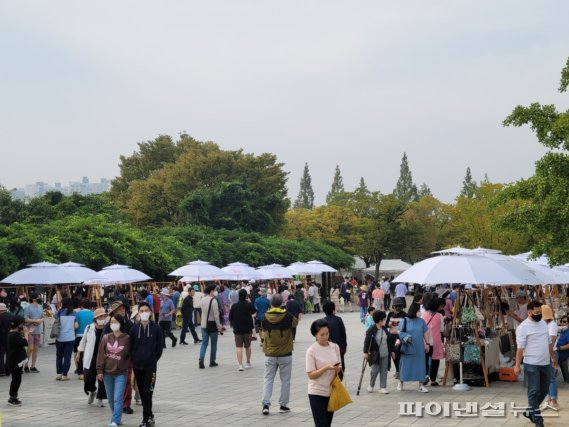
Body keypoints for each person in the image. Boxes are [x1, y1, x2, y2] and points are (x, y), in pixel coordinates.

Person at [514, 301, 557, 427]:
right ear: (529, 312)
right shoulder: (523, 327)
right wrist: (517, 365)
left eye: (540, 312)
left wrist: (553, 357)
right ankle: (538, 421)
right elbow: (520, 349)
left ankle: (529, 411)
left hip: (545, 363)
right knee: (534, 391)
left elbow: (548, 342)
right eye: (537, 312)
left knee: (543, 390)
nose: (539, 314)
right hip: (531, 364)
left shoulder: (543, 323)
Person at [261, 293, 298, 415]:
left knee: (268, 379)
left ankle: (266, 404)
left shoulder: (265, 316)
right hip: (285, 353)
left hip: (270, 353)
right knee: (285, 380)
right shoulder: (287, 316)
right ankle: (283, 405)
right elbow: (295, 323)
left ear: (271, 303)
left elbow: (262, 327)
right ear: (282, 303)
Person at [130, 302, 163, 427]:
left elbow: (159, 348)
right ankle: (150, 416)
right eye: (141, 310)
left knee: (148, 393)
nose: (144, 313)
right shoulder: (134, 329)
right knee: (142, 393)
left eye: (146, 310)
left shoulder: (156, 329)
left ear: (150, 313)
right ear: (138, 313)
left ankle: (145, 420)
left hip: (150, 367)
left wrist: (153, 359)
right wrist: (134, 359)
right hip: (137, 366)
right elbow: (131, 346)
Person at [305, 319, 342, 427]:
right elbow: (311, 375)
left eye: (327, 333)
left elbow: (340, 367)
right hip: (316, 392)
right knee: (322, 424)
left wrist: (337, 368)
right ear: (315, 335)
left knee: (327, 423)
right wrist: (326, 368)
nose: (325, 337)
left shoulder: (335, 347)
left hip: (331, 391)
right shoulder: (311, 350)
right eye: (322, 335)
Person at [97, 313, 131, 427]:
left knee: (117, 398)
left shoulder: (126, 338)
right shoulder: (106, 338)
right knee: (111, 399)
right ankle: (117, 417)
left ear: (120, 323)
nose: (113, 324)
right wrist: (99, 371)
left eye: (115, 322)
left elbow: (130, 355)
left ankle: (115, 420)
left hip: (121, 373)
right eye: (111, 322)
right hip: (107, 373)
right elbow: (101, 355)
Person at [77, 307, 108, 407]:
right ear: (95, 319)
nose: (102, 318)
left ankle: (100, 399)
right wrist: (79, 352)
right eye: (100, 317)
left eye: (103, 316)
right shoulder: (89, 327)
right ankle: (92, 390)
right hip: (90, 357)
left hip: (103, 358)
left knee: (102, 380)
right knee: (88, 379)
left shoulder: (107, 329)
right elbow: (83, 340)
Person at [397, 301, 429, 393]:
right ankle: (401, 382)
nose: (420, 312)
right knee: (404, 365)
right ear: (414, 310)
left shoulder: (421, 321)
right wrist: (406, 337)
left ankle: (421, 385)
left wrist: (427, 344)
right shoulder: (405, 320)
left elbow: (425, 332)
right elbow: (399, 332)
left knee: (420, 365)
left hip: (419, 347)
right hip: (407, 347)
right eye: (419, 310)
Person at [364, 310, 393, 394]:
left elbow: (389, 341)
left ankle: (382, 387)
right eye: (384, 319)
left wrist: (392, 351)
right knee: (375, 370)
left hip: (385, 353)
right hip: (376, 354)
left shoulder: (384, 329)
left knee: (384, 370)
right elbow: (367, 341)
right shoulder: (371, 330)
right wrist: (365, 352)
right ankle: (371, 385)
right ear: (380, 320)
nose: (385, 321)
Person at [229, 289, 257, 371]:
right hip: (248, 329)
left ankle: (240, 365)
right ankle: (248, 362)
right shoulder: (249, 305)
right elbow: (255, 311)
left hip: (237, 329)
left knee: (238, 347)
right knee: (248, 346)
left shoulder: (234, 306)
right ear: (246, 296)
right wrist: (249, 301)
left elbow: (230, 318)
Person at [540, 305, 559, 411]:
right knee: (546, 378)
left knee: (551, 378)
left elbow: (550, 342)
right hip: (545, 354)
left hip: (551, 353)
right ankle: (549, 399)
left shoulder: (552, 325)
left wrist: (552, 357)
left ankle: (554, 401)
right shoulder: (544, 324)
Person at [421, 296, 444, 386]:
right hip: (436, 341)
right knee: (435, 360)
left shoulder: (424, 314)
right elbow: (442, 329)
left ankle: (425, 376)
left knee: (425, 359)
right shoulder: (440, 316)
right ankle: (433, 380)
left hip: (425, 341)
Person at [7, 315, 29, 406]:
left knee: (16, 379)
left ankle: (14, 396)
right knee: (16, 380)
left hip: (15, 361)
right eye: (22, 324)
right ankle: (12, 397)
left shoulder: (11, 334)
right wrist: (26, 334)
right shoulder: (15, 335)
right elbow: (24, 343)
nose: (23, 326)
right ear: (18, 325)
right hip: (16, 362)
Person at [199, 284, 222, 369]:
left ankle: (201, 359)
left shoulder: (202, 300)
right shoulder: (214, 301)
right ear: (211, 291)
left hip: (203, 324)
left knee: (204, 343)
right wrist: (219, 327)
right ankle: (212, 361)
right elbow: (216, 315)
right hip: (212, 325)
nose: (216, 292)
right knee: (213, 344)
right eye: (215, 290)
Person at [323, 301, 347, 380]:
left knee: (328, 365)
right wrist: (344, 347)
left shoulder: (322, 321)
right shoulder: (338, 320)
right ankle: (339, 381)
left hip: (326, 348)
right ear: (333, 309)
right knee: (339, 364)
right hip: (339, 348)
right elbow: (343, 334)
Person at [55, 297, 76, 381]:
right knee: (67, 356)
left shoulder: (59, 312)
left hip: (60, 337)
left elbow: (55, 321)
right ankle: (64, 375)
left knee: (59, 356)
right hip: (70, 338)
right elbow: (76, 326)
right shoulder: (74, 313)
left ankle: (59, 374)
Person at [386, 297, 407, 379]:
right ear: (393, 306)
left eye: (399, 306)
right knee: (393, 353)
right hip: (391, 336)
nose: (398, 307)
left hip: (399, 337)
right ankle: (398, 370)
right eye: (396, 306)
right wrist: (389, 324)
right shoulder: (390, 314)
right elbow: (386, 323)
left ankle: (400, 370)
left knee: (398, 352)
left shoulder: (404, 314)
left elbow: (406, 325)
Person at [23, 292, 43, 374]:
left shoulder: (41, 307)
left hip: (38, 330)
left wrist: (39, 321)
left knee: (36, 349)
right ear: (34, 298)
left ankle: (33, 366)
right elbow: (25, 319)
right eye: (38, 297)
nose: (39, 298)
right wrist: (35, 321)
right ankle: (25, 365)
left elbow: (42, 317)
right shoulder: (27, 307)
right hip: (30, 331)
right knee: (30, 348)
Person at [74, 299, 94, 379]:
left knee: (80, 354)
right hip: (90, 335)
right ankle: (89, 371)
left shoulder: (78, 314)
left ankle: (80, 372)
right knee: (89, 353)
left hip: (79, 335)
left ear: (82, 306)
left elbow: (76, 325)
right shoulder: (93, 314)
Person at [0, 303, 12, 376]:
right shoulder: (10, 315)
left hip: (1, 337)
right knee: (9, 354)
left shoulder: (0, 317)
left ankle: (1, 371)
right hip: (10, 336)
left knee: (1, 354)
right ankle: (8, 370)